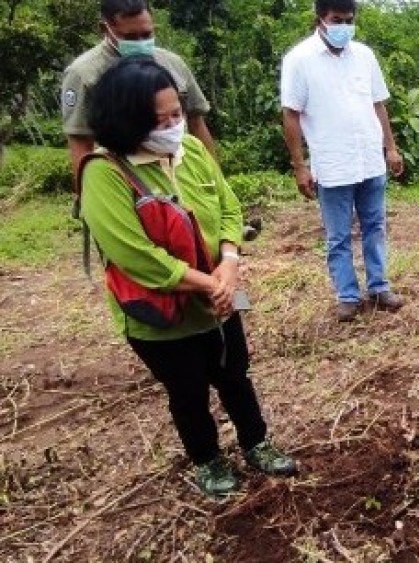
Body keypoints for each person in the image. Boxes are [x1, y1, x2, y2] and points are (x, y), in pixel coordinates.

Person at [79, 57, 296, 497]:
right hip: (163, 313)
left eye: (177, 113)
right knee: (188, 390)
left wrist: (230, 263)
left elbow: (230, 209)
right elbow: (137, 258)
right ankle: (208, 460)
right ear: (128, 120)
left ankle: (257, 443)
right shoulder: (106, 173)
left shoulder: (192, 152)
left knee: (236, 374)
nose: (174, 125)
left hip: (219, 296)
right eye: (160, 119)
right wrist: (211, 284)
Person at [280, 0, 405, 322]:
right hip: (332, 162)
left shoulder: (364, 56)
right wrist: (300, 165)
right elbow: (291, 114)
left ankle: (379, 287)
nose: (343, 27)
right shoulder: (299, 60)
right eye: (337, 20)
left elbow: (378, 104)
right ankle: (348, 296)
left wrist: (390, 148)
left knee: (375, 227)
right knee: (338, 236)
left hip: (368, 158)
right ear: (320, 18)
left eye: (349, 20)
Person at [62, 0, 216, 178]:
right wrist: (87, 194)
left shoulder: (173, 63)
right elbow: (80, 144)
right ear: (105, 29)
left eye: (147, 34)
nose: (141, 43)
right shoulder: (84, 73)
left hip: (183, 173)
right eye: (130, 37)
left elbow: (197, 123)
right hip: (124, 181)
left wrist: (213, 176)